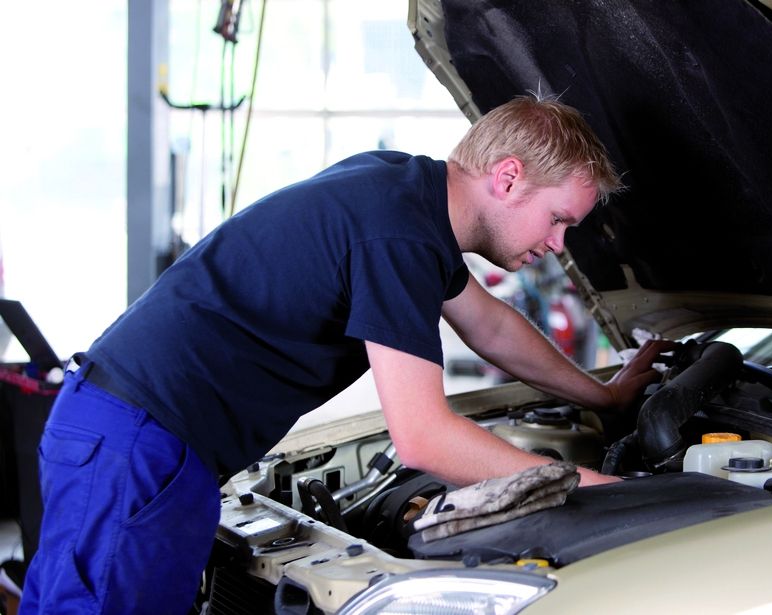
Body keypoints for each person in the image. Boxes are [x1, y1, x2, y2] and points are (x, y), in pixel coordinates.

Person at [20, 95, 671, 614]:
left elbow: (492, 326)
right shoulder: (401, 233)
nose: (559, 245)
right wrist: (592, 487)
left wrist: (605, 394)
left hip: (125, 433)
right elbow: (422, 439)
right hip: (142, 449)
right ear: (507, 178)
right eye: (558, 219)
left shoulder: (400, 188)